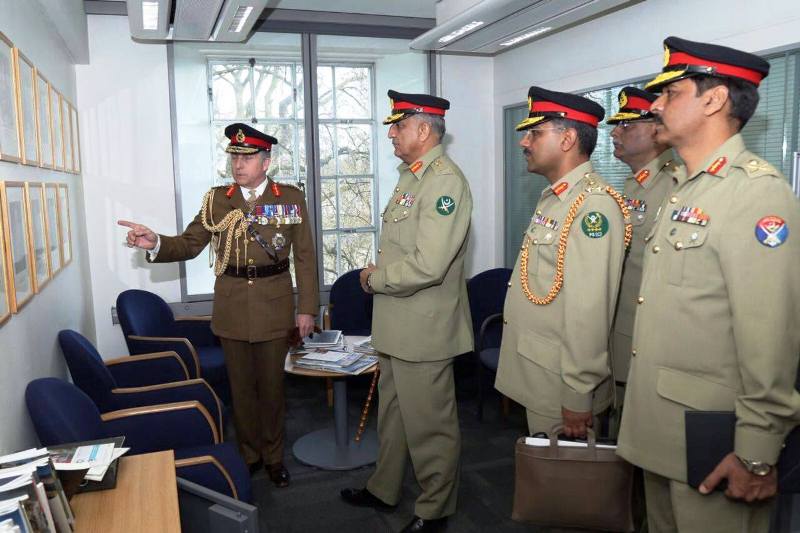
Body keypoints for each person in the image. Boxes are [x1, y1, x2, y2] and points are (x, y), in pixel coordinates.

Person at [616, 36, 800, 532]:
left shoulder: (756, 193)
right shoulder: (682, 187)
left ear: (714, 100)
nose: (655, 105)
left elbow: (769, 339)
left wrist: (757, 453)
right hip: (661, 428)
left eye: (671, 93)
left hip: (715, 440)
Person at [118, 123, 319, 488]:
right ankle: (249, 455)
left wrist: (307, 308)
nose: (238, 164)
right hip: (231, 305)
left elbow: (305, 257)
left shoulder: (289, 197)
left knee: (272, 389)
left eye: (247, 156)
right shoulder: (218, 200)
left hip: (274, 304)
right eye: (234, 156)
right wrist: (154, 242)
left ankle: (274, 457)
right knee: (240, 390)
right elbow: (189, 244)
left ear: (266, 160)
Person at [339, 90, 473, 533]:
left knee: (431, 426)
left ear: (423, 129)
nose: (392, 134)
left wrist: (374, 279)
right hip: (397, 323)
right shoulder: (412, 176)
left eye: (398, 126)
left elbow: (430, 265)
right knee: (394, 417)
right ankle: (384, 487)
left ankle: (435, 509)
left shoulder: (444, 182)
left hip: (425, 328)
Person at [494, 87, 630, 438]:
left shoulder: (593, 208)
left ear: (568, 139)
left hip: (561, 386)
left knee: (565, 489)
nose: (525, 142)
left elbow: (589, 311)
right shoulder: (556, 197)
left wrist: (577, 395)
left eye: (535, 133)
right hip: (541, 373)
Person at [606, 86, 677, 411]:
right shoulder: (632, 184)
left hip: (654, 342)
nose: (615, 133)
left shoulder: (675, 186)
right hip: (622, 332)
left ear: (657, 130)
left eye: (627, 125)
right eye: (616, 125)